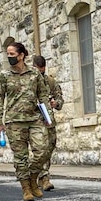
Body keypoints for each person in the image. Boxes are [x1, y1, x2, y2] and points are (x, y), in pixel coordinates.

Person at [0, 41, 51, 201]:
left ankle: (33, 178)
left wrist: (48, 117)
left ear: (21, 55)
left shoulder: (34, 74)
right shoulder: (4, 76)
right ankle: (26, 187)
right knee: (21, 157)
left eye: (12, 54)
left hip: (34, 119)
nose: (9, 57)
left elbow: (43, 96)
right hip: (14, 121)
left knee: (42, 150)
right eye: (8, 54)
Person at [32, 55, 63, 191]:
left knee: (49, 148)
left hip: (49, 121)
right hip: (35, 121)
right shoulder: (29, 82)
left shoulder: (50, 81)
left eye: (41, 69)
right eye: (37, 69)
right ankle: (44, 178)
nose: (39, 72)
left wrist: (56, 103)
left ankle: (39, 175)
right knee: (41, 149)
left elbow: (59, 98)